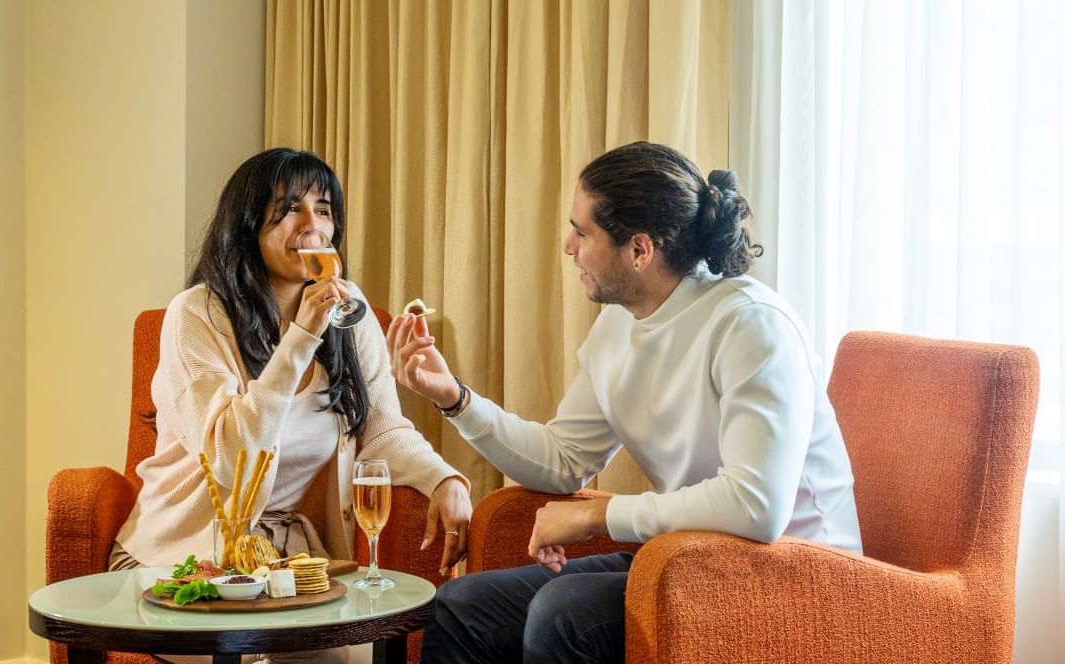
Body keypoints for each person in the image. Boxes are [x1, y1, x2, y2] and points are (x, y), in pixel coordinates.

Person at [386, 141, 863, 664]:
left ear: (640, 250)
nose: (568, 246)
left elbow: (756, 508)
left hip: (798, 577)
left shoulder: (751, 325)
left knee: (565, 613)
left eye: (582, 232)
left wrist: (598, 518)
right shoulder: (619, 322)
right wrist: (455, 398)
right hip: (692, 559)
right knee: (462, 605)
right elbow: (565, 459)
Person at [113, 148, 472, 664]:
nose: (312, 226)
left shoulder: (353, 317)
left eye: (323, 210)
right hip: (181, 562)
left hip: (287, 566)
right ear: (247, 227)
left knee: (352, 653)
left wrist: (443, 479)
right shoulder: (197, 314)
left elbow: (383, 428)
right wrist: (301, 336)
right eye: (289, 208)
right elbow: (231, 459)